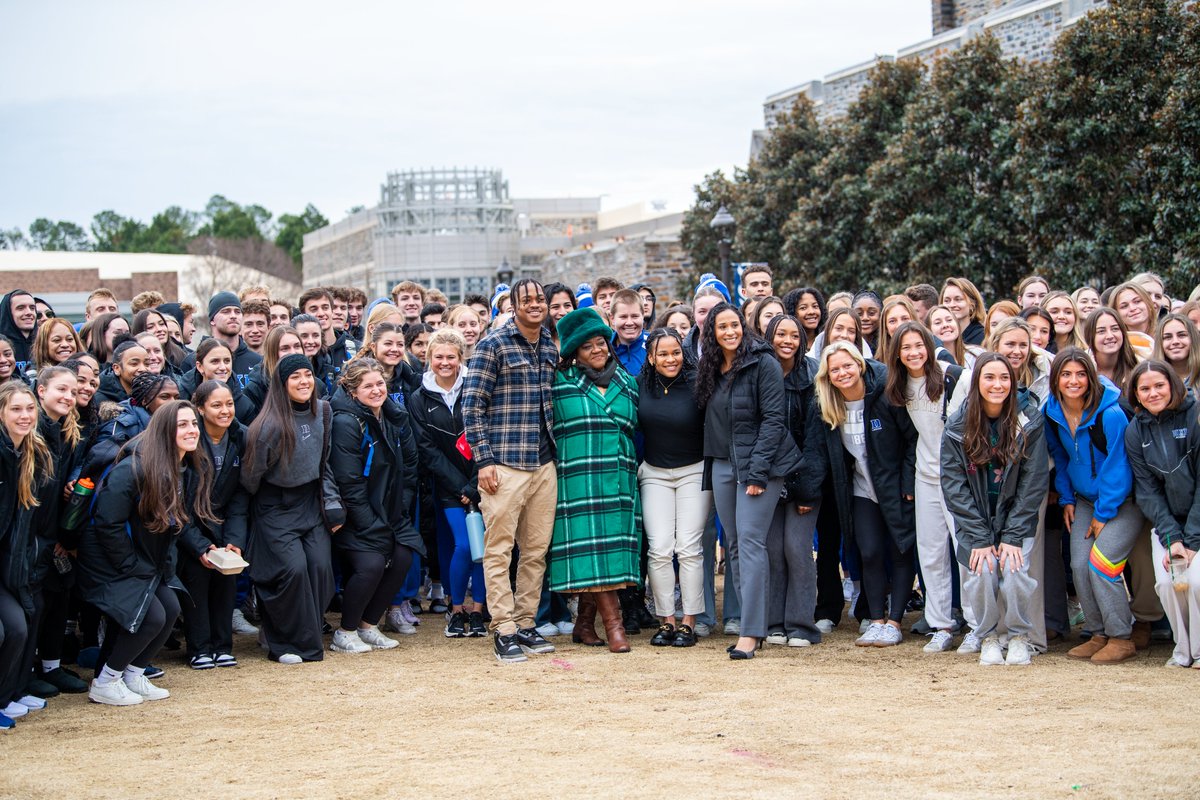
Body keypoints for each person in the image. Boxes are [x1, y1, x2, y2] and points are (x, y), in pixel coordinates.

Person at [76, 400, 219, 705]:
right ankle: (106, 682)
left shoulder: (182, 467)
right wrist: (129, 564)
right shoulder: (134, 467)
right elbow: (106, 522)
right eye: (182, 424)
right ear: (166, 430)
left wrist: (203, 548)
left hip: (146, 558)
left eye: (193, 423)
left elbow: (177, 521)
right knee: (151, 616)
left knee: (170, 608)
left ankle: (132, 674)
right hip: (110, 557)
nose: (191, 430)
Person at [696, 302, 802, 660]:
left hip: (760, 467)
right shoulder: (711, 368)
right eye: (721, 327)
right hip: (723, 465)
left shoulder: (764, 363)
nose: (729, 332)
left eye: (734, 325)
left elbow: (774, 421)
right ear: (711, 333)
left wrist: (757, 472)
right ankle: (749, 622)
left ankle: (751, 632)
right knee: (736, 545)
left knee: (752, 543)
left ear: (744, 327)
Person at [462, 279, 559, 663]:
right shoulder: (493, 345)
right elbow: (472, 408)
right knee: (499, 551)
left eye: (539, 299)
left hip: (543, 462)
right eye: (527, 300)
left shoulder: (550, 345)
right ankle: (502, 629)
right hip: (503, 464)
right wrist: (483, 461)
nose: (535, 305)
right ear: (513, 306)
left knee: (535, 551)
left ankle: (525, 623)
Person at [941, 353, 1049, 666]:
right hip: (976, 521)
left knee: (1014, 571)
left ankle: (1017, 636)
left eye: (1004, 378)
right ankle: (987, 636)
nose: (997, 384)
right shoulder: (957, 425)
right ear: (976, 383)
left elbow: (1033, 482)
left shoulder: (1029, 420)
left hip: (1016, 520)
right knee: (981, 570)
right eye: (989, 377)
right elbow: (954, 487)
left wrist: (1013, 536)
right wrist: (979, 537)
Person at [547, 308, 641, 654]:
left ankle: (584, 623)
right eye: (587, 347)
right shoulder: (561, 384)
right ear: (575, 353)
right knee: (594, 551)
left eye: (601, 342)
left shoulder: (627, 383)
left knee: (608, 553)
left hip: (618, 478)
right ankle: (614, 628)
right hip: (579, 479)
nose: (597, 350)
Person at [241, 354, 344, 664]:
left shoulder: (324, 411)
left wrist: (333, 502)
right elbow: (250, 478)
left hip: (311, 502)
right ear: (282, 384)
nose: (304, 381)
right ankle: (284, 644)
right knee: (293, 571)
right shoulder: (268, 426)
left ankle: (304, 636)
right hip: (275, 505)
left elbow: (323, 462)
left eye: (307, 374)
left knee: (320, 569)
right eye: (295, 376)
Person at [813, 341, 916, 649]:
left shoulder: (885, 397)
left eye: (847, 365)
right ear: (828, 376)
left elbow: (912, 441)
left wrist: (908, 484)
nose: (842, 373)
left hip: (895, 487)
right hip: (861, 490)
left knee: (899, 551)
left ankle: (895, 621)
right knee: (868, 551)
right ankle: (876, 619)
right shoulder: (831, 407)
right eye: (835, 369)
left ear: (860, 365)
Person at [1044, 348, 1142, 664]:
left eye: (1081, 374)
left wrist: (1104, 512)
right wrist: (1068, 499)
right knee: (1078, 564)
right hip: (1083, 499)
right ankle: (1098, 633)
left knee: (1102, 564)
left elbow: (1119, 466)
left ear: (1092, 377)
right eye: (1066, 374)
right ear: (1056, 379)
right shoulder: (1052, 410)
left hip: (1121, 501)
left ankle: (1121, 637)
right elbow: (1060, 456)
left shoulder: (1110, 413)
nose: (1074, 381)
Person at [328, 359, 422, 654]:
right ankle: (345, 632)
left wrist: (400, 508)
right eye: (367, 385)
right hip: (357, 517)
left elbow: (409, 466)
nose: (376, 390)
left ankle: (368, 625)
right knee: (370, 565)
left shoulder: (394, 417)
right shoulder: (346, 422)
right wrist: (370, 524)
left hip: (391, 513)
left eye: (379, 383)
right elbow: (349, 483)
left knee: (404, 556)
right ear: (353, 391)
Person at [885, 322, 965, 652]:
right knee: (930, 554)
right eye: (905, 348)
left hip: (959, 478)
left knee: (966, 552)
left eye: (919, 345)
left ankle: (976, 623)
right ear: (897, 354)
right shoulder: (900, 386)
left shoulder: (952, 376)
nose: (914, 353)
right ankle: (941, 624)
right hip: (925, 475)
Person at [409, 329, 486, 638]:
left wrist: (475, 483)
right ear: (429, 358)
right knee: (465, 545)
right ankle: (456, 611)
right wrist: (460, 487)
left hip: (483, 479)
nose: (444, 362)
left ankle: (478, 610)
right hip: (449, 487)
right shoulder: (419, 397)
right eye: (438, 357)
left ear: (460, 357)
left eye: (450, 357)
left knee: (485, 548)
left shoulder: (476, 386)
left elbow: (488, 433)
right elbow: (426, 449)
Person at [1123, 361, 1200, 667]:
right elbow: (1147, 491)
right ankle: (1183, 650)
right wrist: (1173, 539)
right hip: (1168, 525)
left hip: (1196, 523)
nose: (1153, 393)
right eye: (1145, 388)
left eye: (1159, 385)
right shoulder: (1135, 431)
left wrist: (1191, 541)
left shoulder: (1195, 416)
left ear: (1173, 386)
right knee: (1167, 585)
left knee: (1194, 583)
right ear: (1136, 395)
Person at [637, 328, 710, 648]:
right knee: (660, 547)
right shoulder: (639, 385)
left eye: (676, 352)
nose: (671, 359)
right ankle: (666, 620)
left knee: (689, 547)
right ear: (650, 358)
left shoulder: (699, 383)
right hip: (654, 473)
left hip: (694, 472)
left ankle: (689, 622)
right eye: (663, 354)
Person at [176, 380, 249, 670]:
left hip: (223, 527)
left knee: (226, 583)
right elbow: (178, 504)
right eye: (216, 405)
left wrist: (234, 538)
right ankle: (199, 648)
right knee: (197, 582)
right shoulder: (190, 440)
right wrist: (199, 546)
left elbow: (240, 495)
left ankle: (222, 645)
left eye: (229, 403)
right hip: (190, 528)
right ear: (200, 408)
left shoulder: (239, 436)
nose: (225, 410)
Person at [763, 315, 825, 648]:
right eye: (780, 334)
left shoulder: (812, 376)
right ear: (769, 337)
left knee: (797, 548)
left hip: (804, 477)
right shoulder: (760, 371)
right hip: (769, 477)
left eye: (794, 335)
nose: (787, 340)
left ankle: (801, 624)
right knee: (772, 549)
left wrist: (808, 487)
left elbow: (817, 439)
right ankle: (774, 622)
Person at [0, 382, 54, 727]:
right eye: (16, 409)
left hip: (11, 562)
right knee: (9, 631)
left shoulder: (33, 452)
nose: (24, 416)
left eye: (29, 409)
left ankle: (7, 696)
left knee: (20, 626)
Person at [1085, 308, 1141, 390]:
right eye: (1101, 331)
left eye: (1115, 329)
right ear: (1090, 337)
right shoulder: (1082, 370)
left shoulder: (1139, 366)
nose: (1110, 336)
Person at [1153, 313, 1200, 389]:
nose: (1175, 341)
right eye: (1167, 337)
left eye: (1182, 335)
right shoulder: (1150, 375)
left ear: (1193, 338)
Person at [0, 290, 38, 377]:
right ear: (8, 313)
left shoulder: (44, 344)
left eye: (32, 308)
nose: (29, 312)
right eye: (20, 308)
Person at [609, 290, 648, 375]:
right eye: (623, 317)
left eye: (635, 316)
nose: (629, 323)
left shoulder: (654, 345)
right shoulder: (605, 348)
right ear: (612, 319)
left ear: (643, 316)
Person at [940, 278, 986, 345]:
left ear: (972, 305)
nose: (952, 305)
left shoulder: (983, 338)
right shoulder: (938, 338)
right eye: (947, 301)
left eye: (958, 299)